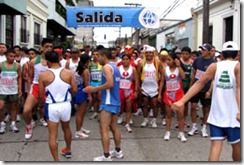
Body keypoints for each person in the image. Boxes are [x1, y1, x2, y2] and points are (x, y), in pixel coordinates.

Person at [171, 41, 240, 161]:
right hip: (234, 118)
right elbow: (239, 88)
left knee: (215, 147)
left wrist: (182, 101)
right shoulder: (238, 67)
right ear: (237, 54)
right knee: (237, 147)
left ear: (222, 54)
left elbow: (199, 83)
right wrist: (240, 111)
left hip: (216, 116)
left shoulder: (214, 66)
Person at [83, 48, 123, 161]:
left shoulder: (106, 67)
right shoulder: (115, 66)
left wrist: (95, 89)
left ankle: (106, 155)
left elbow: (110, 83)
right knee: (114, 127)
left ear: (103, 56)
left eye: (98, 56)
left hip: (109, 102)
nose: (96, 58)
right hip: (116, 101)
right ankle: (118, 151)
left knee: (103, 128)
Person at [38, 51, 77, 161]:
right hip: (65, 104)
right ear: (59, 59)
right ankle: (68, 150)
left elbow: (41, 95)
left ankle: (56, 161)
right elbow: (75, 90)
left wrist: (41, 106)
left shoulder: (43, 75)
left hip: (52, 105)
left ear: (47, 61)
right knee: (66, 128)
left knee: (52, 135)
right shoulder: (68, 73)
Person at [23, 38, 53, 140]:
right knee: (26, 110)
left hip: (49, 87)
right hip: (36, 86)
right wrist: (28, 91)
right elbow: (30, 78)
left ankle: (53, 135)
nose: (49, 49)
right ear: (41, 48)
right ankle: (28, 126)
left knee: (51, 113)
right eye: (46, 47)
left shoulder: (54, 61)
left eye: (50, 47)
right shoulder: (34, 61)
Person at [188, 43, 216, 137]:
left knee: (206, 108)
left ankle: (204, 127)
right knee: (193, 106)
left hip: (206, 88)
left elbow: (214, 79)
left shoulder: (213, 62)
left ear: (209, 51)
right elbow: (194, 73)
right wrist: (191, 86)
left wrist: (210, 91)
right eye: (201, 49)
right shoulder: (197, 60)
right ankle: (194, 126)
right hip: (196, 87)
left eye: (204, 50)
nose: (202, 51)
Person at [158, 52, 187, 142]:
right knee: (168, 114)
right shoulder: (164, 70)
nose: (167, 62)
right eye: (166, 60)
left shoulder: (179, 69)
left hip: (179, 94)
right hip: (168, 94)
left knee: (181, 114)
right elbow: (162, 81)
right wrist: (159, 93)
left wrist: (178, 66)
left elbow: (183, 77)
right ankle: (167, 131)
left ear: (174, 60)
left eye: (169, 60)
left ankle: (181, 133)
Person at [137, 46, 163, 128]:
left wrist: (160, 88)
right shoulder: (141, 63)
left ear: (153, 54)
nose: (148, 54)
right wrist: (138, 87)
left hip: (154, 88)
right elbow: (137, 76)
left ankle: (154, 120)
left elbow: (162, 76)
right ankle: (145, 120)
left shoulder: (157, 63)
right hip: (145, 87)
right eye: (147, 52)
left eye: (150, 53)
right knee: (144, 104)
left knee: (155, 104)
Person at [0, 49, 22, 134]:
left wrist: (19, 88)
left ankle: (13, 123)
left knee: (14, 107)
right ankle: (2, 124)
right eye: (11, 56)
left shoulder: (17, 66)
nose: (12, 58)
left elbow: (19, 77)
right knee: (1, 107)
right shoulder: (1, 65)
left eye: (14, 56)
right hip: (2, 89)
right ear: (6, 56)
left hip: (13, 89)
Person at [118, 53, 139, 133]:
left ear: (129, 60)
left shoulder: (133, 69)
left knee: (128, 107)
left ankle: (127, 123)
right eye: (124, 59)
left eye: (127, 59)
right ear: (121, 60)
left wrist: (136, 91)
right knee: (120, 106)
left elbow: (136, 80)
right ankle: (120, 116)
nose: (125, 61)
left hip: (129, 90)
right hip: (120, 90)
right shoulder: (118, 68)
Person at [74, 54, 92, 139]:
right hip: (82, 91)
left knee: (83, 111)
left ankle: (80, 128)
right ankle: (77, 131)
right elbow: (86, 83)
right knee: (80, 112)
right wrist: (89, 95)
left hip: (79, 90)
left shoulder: (78, 69)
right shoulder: (85, 70)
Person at [89, 50, 102, 120]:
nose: (95, 56)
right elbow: (89, 74)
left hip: (100, 83)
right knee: (94, 98)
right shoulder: (90, 64)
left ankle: (100, 113)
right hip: (93, 83)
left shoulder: (101, 64)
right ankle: (95, 112)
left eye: (97, 54)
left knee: (99, 98)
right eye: (94, 54)